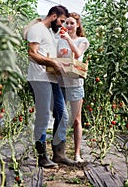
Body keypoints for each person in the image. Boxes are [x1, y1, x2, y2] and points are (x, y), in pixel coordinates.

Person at [25, 5, 75, 168]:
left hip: (51, 79)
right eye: (61, 20)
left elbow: (50, 55)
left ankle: (59, 154)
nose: (62, 24)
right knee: (44, 116)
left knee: (63, 114)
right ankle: (42, 157)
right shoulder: (37, 29)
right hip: (39, 78)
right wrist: (51, 62)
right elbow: (32, 53)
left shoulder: (49, 33)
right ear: (54, 16)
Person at [57, 12, 90, 163]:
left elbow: (77, 55)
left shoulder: (83, 40)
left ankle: (77, 154)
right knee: (61, 118)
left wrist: (69, 39)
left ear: (77, 25)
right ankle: (59, 153)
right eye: (66, 23)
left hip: (76, 84)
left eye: (71, 23)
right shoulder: (60, 40)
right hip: (61, 83)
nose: (68, 26)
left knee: (77, 120)